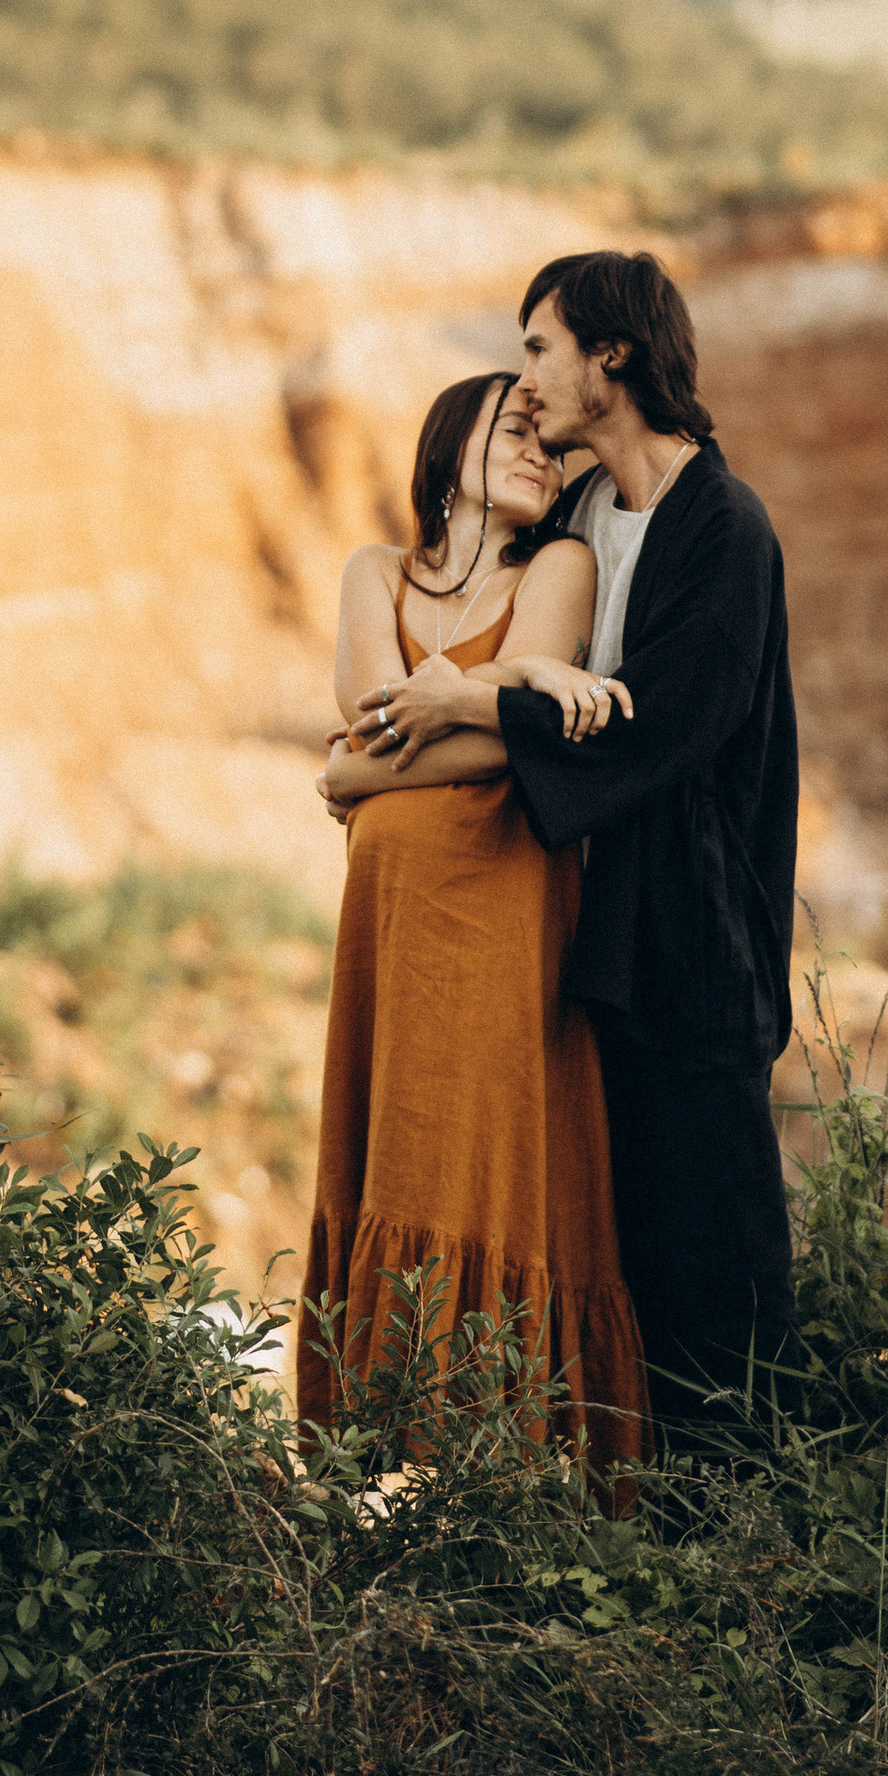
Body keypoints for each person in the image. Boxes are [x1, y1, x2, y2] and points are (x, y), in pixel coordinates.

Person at [351, 256, 800, 1452]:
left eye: (539, 347)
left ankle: (759, 1560)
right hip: (594, 950)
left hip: (697, 957)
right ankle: (629, 1543)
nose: (526, 380)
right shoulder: (583, 517)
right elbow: (496, 628)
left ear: (613, 354)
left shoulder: (725, 530)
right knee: (626, 1270)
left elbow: (659, 725)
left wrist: (470, 710)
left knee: (722, 1291)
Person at [301, 370, 647, 1475]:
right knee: (392, 1150)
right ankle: (378, 1459)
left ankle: (492, 1471)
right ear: (447, 444)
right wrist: (492, 689)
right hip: (391, 926)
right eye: (514, 430)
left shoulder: (561, 564)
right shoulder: (371, 573)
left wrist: (366, 771)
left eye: (548, 444)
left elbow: (503, 743)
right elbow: (373, 725)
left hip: (501, 910)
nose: (539, 455)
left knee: (480, 1163)